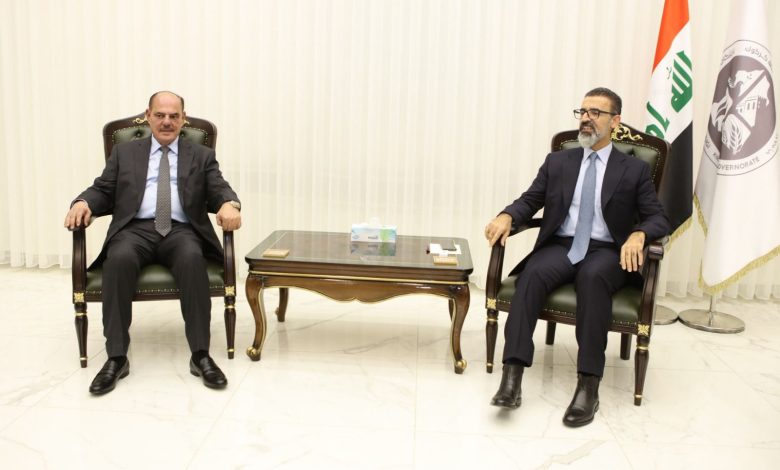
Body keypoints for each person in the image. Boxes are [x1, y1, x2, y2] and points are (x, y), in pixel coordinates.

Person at [483, 87, 669, 427]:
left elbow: (658, 217)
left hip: (607, 251)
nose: (586, 118)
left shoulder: (633, 170)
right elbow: (530, 199)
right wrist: (507, 215)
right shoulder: (558, 161)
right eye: (582, 112)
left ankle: (588, 386)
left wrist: (639, 234)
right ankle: (512, 377)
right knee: (533, 275)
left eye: (595, 113)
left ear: (615, 121)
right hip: (563, 246)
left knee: (592, 278)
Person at [64, 91, 242, 395]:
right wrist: (83, 202)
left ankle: (200, 355)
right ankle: (116, 358)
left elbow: (218, 187)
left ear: (183, 119)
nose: (167, 122)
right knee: (118, 259)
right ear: (148, 116)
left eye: (174, 116)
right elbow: (103, 189)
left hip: (181, 230)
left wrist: (229, 204)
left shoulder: (201, 155)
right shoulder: (124, 153)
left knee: (192, 258)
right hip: (135, 230)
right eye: (160, 115)